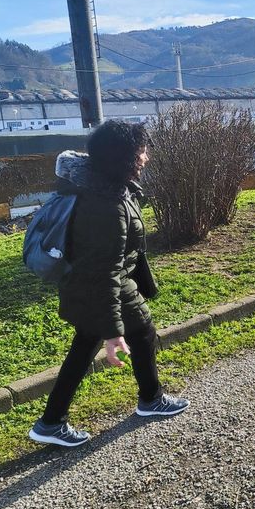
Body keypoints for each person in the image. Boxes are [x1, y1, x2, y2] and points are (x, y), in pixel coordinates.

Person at [29, 120, 189, 448]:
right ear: (121, 157)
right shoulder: (106, 204)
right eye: (140, 151)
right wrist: (114, 332)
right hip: (101, 283)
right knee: (141, 330)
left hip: (90, 281)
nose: (146, 156)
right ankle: (150, 399)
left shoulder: (107, 185)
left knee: (85, 343)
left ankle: (50, 422)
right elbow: (104, 270)